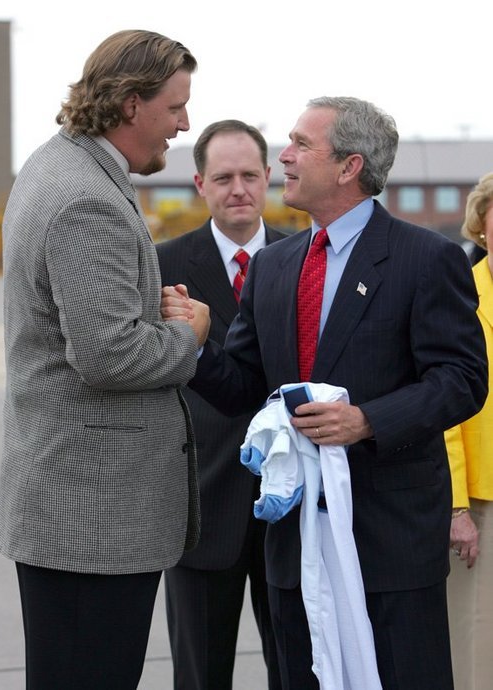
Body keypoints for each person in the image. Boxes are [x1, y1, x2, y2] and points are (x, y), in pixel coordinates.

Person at [161, 96, 488, 690]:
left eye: (300, 145)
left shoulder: (427, 258)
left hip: (388, 536)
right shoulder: (276, 267)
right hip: (296, 541)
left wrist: (367, 420)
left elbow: (462, 380)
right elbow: (244, 390)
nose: (284, 156)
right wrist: (197, 344)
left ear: (349, 166)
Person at [0, 29, 210, 690]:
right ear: (130, 103)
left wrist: (144, 309)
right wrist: (187, 335)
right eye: (175, 106)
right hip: (95, 521)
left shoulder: (57, 165)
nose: (183, 123)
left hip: (72, 510)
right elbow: (110, 357)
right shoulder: (88, 201)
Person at [156, 119, 285, 690]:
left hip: (293, 503)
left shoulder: (305, 257)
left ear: (269, 180)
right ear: (200, 184)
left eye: (250, 175)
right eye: (224, 177)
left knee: (299, 669)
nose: (239, 188)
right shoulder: (160, 265)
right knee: (200, 676)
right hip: (200, 505)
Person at [444, 172, 493, 690]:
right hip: (481, 502)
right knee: (478, 646)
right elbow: (448, 411)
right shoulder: (462, 296)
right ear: (482, 224)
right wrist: (457, 508)